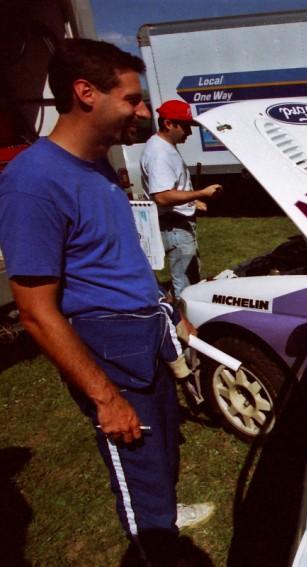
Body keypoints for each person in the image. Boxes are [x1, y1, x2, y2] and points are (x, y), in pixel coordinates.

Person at [0, 39, 213, 563]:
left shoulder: (96, 168)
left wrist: (171, 316)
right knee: (140, 478)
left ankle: (162, 515)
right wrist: (105, 397)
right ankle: (155, 541)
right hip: (110, 355)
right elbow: (35, 311)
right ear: (85, 93)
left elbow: (122, 262)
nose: (143, 113)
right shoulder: (31, 182)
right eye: (133, 99)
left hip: (147, 338)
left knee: (164, 454)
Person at [141, 99, 222, 298]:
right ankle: (186, 326)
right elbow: (162, 196)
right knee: (186, 286)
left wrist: (192, 202)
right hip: (174, 226)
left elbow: (172, 187)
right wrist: (200, 193)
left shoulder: (163, 146)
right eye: (185, 126)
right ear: (168, 123)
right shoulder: (160, 154)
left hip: (178, 223)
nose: (189, 132)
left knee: (190, 278)